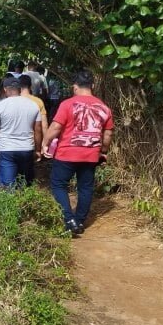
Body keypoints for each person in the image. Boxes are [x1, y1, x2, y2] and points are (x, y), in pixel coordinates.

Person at [42, 69, 114, 235]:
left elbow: (56, 127)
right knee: (86, 187)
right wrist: (103, 150)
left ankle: (69, 219)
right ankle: (79, 221)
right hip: (91, 154)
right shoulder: (104, 108)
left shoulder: (67, 104)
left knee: (58, 184)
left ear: (75, 87)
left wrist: (45, 143)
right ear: (93, 86)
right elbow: (108, 133)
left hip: (67, 153)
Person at [0, 77, 42, 187]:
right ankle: (25, 203)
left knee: (7, 185)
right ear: (19, 89)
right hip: (26, 149)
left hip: (7, 150)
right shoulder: (33, 105)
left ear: (5, 90)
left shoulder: (0, 106)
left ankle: (9, 203)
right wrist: (38, 150)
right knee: (25, 184)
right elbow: (38, 130)